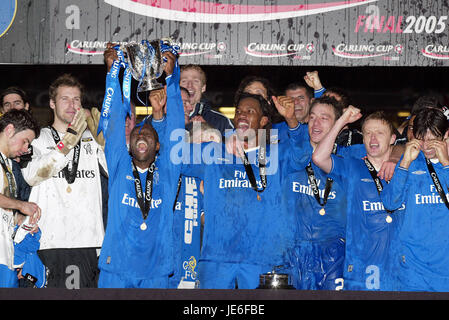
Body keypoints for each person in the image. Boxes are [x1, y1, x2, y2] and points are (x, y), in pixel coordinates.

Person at [176, 92, 312, 289]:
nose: (241, 115)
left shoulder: (276, 155)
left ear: (263, 120)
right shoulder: (215, 153)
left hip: (262, 259)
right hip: (217, 259)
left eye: (250, 111)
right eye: (239, 111)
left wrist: (291, 118)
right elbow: (175, 159)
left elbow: (302, 157)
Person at [97, 45, 184, 288]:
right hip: (116, 269)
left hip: (156, 271)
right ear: (128, 144)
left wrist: (172, 78)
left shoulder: (167, 172)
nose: (142, 135)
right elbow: (114, 119)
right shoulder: (118, 165)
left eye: (149, 133)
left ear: (159, 146)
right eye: (137, 133)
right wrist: (112, 73)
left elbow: (176, 127)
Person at [21, 74, 107, 288]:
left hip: (87, 240)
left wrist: (107, 144)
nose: (72, 105)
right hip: (49, 239)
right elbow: (32, 176)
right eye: (65, 99)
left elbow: (116, 172)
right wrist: (67, 142)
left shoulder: (91, 138)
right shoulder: (39, 138)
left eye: (76, 99)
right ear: (52, 103)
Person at [312, 108, 403, 291]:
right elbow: (319, 157)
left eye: (379, 133)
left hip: (400, 270)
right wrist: (343, 120)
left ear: (393, 139)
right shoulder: (352, 167)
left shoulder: (405, 168)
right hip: (361, 268)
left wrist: (398, 155)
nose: (373, 139)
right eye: (368, 133)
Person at [283, 96, 348, 290]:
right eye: (312, 117)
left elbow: (390, 147)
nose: (316, 123)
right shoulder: (287, 153)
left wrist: (394, 156)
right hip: (291, 251)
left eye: (324, 118)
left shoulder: (349, 158)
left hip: (333, 255)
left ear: (338, 126)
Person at [381, 107, 449, 292]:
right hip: (412, 270)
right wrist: (403, 164)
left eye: (433, 139)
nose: (426, 146)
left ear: (446, 135)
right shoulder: (409, 161)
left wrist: (446, 166)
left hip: (445, 268)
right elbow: (389, 203)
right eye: (421, 138)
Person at [0, 109, 41, 287]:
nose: (26, 149)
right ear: (9, 130)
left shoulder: (8, 164)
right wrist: (21, 205)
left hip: (6, 255)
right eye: (25, 141)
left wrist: (21, 220)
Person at [304, 71, 363, 147]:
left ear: (345, 113)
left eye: (333, 103)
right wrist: (318, 88)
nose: (316, 122)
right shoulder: (312, 131)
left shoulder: (356, 141)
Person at [180, 64, 234, 135]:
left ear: (203, 88)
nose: (189, 85)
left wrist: (208, 130)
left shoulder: (220, 121)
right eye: (184, 81)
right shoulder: (165, 118)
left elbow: (235, 145)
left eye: (195, 81)